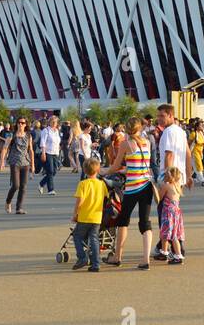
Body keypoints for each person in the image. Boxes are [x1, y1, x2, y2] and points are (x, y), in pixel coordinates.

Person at [103, 116, 157, 270]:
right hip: (147, 185)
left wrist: (102, 171)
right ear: (139, 128)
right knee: (144, 222)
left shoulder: (126, 144)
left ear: (126, 129)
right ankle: (145, 259)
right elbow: (140, 164)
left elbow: (114, 166)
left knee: (123, 221)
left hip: (133, 188)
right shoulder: (147, 142)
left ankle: (117, 256)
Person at [70, 157, 106, 272]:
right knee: (94, 239)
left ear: (85, 171)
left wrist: (75, 214)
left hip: (85, 216)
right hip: (97, 217)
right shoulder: (101, 184)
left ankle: (82, 257)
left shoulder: (83, 184)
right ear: (98, 170)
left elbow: (79, 201)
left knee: (77, 236)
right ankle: (96, 263)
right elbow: (105, 198)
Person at [0, 116, 34, 214]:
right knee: (15, 185)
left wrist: (33, 164)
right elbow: (5, 148)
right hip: (14, 162)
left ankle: (19, 208)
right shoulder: (11, 135)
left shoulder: (28, 136)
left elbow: (30, 150)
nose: (20, 124)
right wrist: (2, 162)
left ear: (25, 125)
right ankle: (8, 202)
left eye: (22, 123)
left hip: (26, 163)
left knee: (23, 186)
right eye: (19, 122)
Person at [157, 166, 187, 264]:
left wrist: (155, 187)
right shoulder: (177, 185)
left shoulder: (167, 186)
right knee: (167, 234)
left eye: (165, 174)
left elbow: (159, 198)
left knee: (171, 235)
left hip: (168, 213)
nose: (164, 176)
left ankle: (178, 256)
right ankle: (164, 252)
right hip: (176, 212)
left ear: (170, 176)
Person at [38, 115, 62, 195]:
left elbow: (58, 141)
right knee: (50, 171)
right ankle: (51, 189)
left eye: (55, 122)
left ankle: (41, 184)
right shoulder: (46, 130)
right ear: (50, 122)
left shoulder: (57, 131)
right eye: (52, 122)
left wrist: (59, 148)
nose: (54, 123)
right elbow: (43, 142)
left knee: (54, 171)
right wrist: (43, 153)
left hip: (55, 153)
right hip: (48, 152)